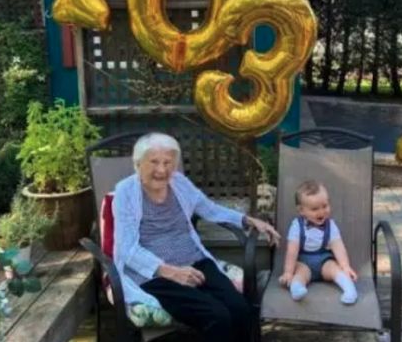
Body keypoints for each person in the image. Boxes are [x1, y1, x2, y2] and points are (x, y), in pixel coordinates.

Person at [112, 132, 280, 342]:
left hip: (194, 261)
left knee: (240, 308)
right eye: (154, 162)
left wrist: (247, 220)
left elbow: (209, 208)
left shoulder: (179, 183)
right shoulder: (125, 192)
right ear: (138, 164)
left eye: (168, 162)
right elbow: (127, 249)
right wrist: (172, 272)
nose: (162, 170)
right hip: (154, 274)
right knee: (215, 315)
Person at [278, 180, 358, 304]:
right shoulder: (297, 226)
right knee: (300, 273)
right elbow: (292, 251)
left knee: (334, 268)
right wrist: (288, 272)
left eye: (325, 206)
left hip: (324, 261)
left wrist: (345, 266)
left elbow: (338, 246)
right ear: (301, 210)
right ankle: (297, 288)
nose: (321, 212)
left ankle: (349, 288)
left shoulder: (330, 225)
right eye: (314, 209)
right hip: (304, 262)